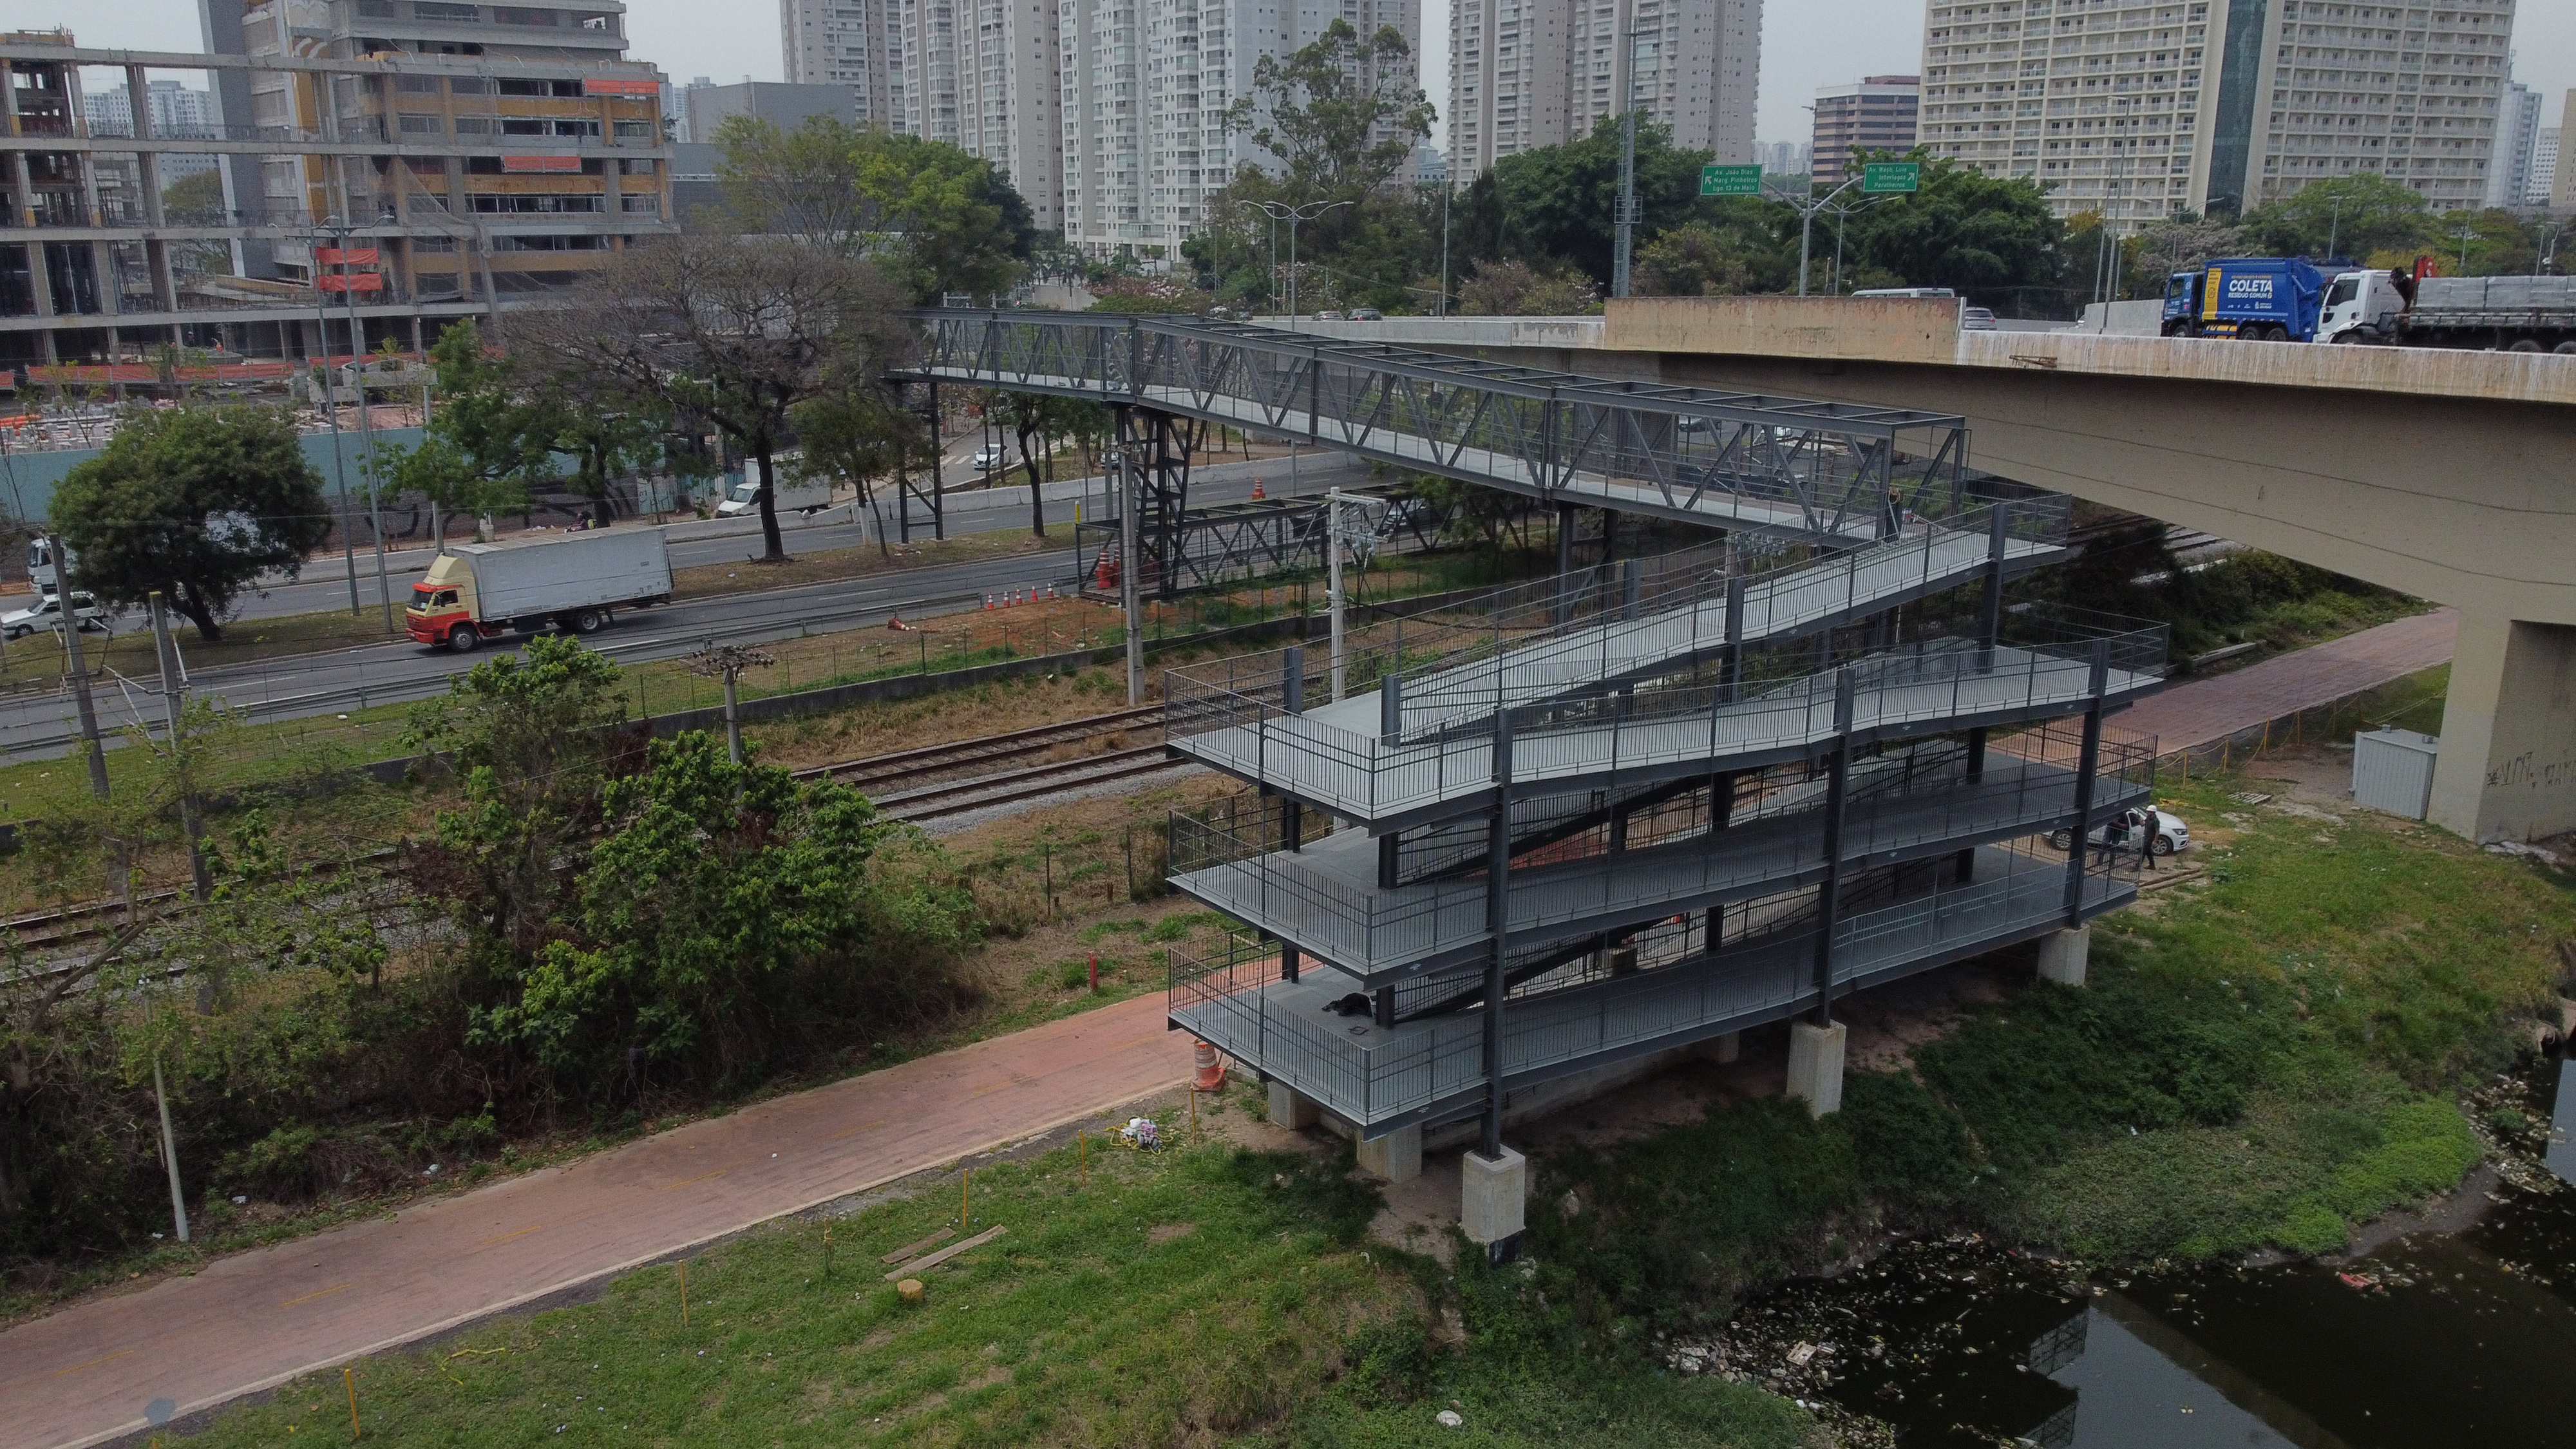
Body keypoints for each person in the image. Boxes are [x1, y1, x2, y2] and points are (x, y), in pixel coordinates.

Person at [2137, 804, 2160, 871]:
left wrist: (2155, 841)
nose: (2147, 813)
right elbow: (2143, 824)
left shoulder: (2156, 821)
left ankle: (2137, 866)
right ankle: (2152, 865)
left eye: (2149, 812)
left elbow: (2157, 831)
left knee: (2143, 852)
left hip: (2150, 838)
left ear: (2152, 813)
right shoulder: (2148, 818)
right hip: (2146, 837)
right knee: (2148, 852)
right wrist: (2139, 819)